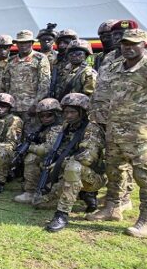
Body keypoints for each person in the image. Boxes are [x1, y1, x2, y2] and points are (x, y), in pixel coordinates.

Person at [87, 29, 147, 238]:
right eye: (125, 43)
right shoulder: (116, 67)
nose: (128, 47)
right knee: (115, 171)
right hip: (115, 130)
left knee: (144, 176)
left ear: (144, 44)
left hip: (140, 134)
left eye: (134, 43)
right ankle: (112, 207)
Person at [34, 93, 106, 232]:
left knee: (73, 166)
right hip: (69, 175)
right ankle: (82, 195)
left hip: (93, 177)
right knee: (39, 203)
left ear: (83, 112)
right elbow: (61, 148)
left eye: (72, 112)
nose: (68, 115)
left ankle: (62, 215)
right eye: (66, 112)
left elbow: (87, 157)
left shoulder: (92, 129)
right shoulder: (67, 126)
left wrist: (61, 162)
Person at [12, 98, 64, 204]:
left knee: (31, 157)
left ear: (56, 114)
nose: (45, 118)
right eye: (42, 116)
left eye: (49, 115)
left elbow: (46, 149)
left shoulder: (57, 128)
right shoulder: (44, 127)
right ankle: (31, 190)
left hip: (60, 161)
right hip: (52, 160)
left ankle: (32, 191)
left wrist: (29, 148)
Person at [2, 30, 50, 131]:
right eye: (20, 43)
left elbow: (44, 83)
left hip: (31, 107)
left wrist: (36, 104)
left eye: (26, 42)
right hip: (14, 107)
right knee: (13, 136)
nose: (23, 45)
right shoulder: (11, 61)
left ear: (31, 43)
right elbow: (6, 83)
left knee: (30, 136)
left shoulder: (40, 58)